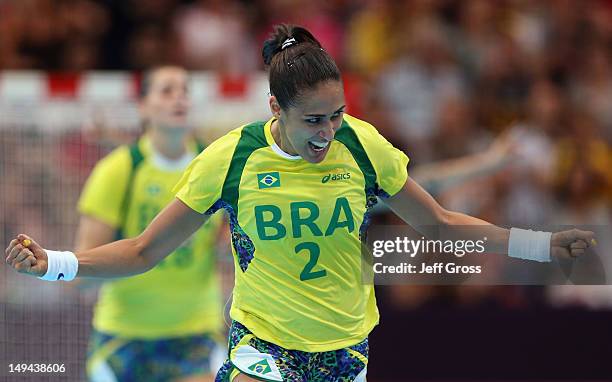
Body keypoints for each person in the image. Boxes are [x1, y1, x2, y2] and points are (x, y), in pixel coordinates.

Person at [5, 25, 594, 382]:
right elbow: (140, 251)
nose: (328, 132)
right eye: (313, 120)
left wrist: (539, 245)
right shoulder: (230, 159)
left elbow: (438, 221)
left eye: (337, 115)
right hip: (262, 343)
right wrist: (55, 263)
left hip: (344, 349)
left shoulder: (362, 146)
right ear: (274, 109)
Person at [75, 65, 225, 382]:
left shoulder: (215, 166)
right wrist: (126, 252)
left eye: (185, 90)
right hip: (125, 336)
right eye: (167, 91)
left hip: (194, 333)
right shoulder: (118, 171)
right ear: (143, 106)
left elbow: (225, 249)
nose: (179, 98)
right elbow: (82, 274)